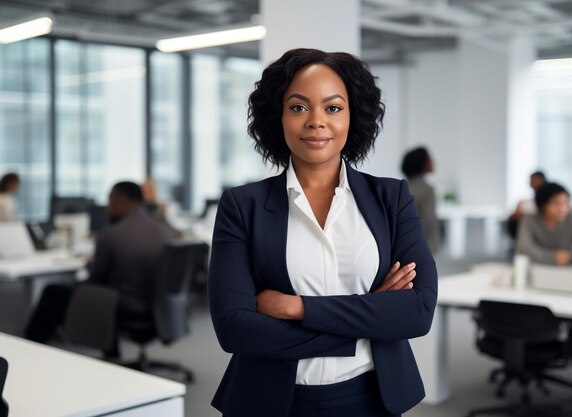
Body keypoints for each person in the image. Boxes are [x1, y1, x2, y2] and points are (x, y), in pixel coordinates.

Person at [208, 49, 438, 417]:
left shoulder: (391, 198)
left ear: (353, 116)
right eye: (299, 107)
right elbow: (234, 329)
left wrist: (297, 307)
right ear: (278, 116)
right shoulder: (242, 206)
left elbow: (417, 312)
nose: (317, 121)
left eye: (333, 108)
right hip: (272, 400)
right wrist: (369, 318)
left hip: (372, 397)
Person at [25, 181, 172, 356]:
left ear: (123, 200)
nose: (107, 207)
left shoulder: (111, 235)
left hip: (123, 304)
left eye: (110, 200)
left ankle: (29, 349)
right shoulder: (161, 230)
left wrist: (91, 266)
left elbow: (96, 280)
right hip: (156, 305)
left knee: (53, 292)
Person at [516, 182, 572, 266]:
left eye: (565, 203)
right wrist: (554, 257)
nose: (562, 208)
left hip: (568, 270)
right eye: (556, 203)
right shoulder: (530, 220)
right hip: (538, 269)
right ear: (543, 205)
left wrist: (569, 256)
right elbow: (523, 249)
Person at [401, 147, 439, 253]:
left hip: (407, 247)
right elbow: (428, 221)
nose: (432, 161)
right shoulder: (426, 189)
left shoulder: (403, 187)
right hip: (425, 248)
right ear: (422, 163)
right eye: (429, 158)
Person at [506, 171, 546, 241]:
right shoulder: (524, 202)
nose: (533, 183)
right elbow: (513, 216)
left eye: (535, 180)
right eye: (532, 180)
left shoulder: (549, 202)